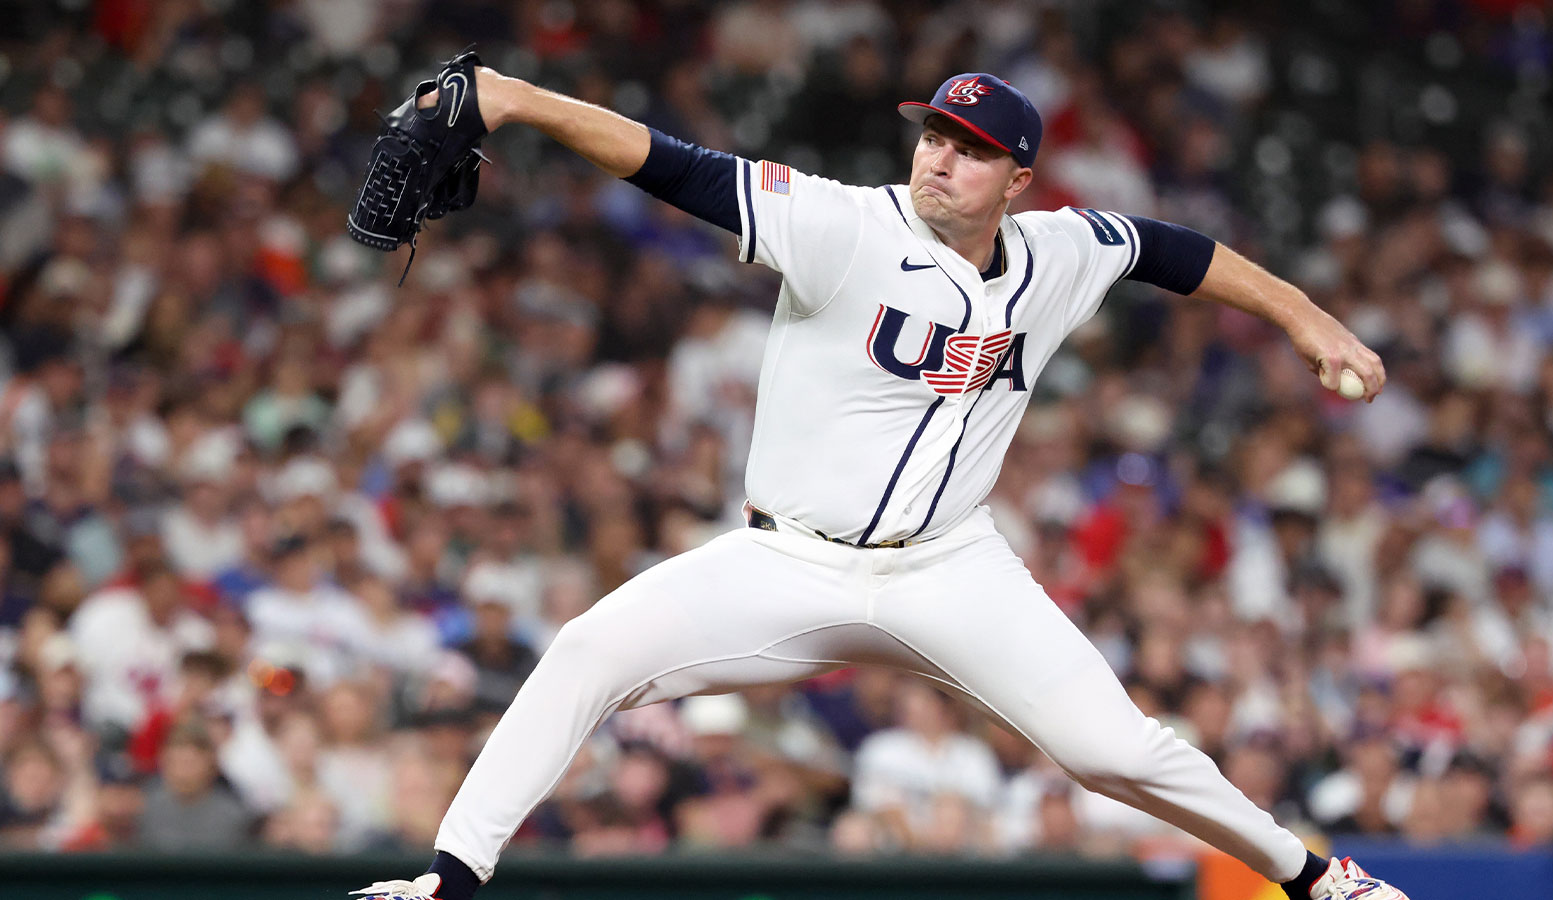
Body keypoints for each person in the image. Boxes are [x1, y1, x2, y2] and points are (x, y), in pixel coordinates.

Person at [352, 63, 1401, 900]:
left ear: (1020, 182)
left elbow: (1174, 251)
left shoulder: (1061, 251)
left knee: (1111, 748)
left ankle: (1314, 878)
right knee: (586, 652)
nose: (941, 160)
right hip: (786, 560)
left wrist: (1307, 319)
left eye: (974, 152)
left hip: (952, 566)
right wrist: (516, 100)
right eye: (936, 135)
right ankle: (444, 882)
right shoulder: (845, 224)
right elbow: (671, 166)